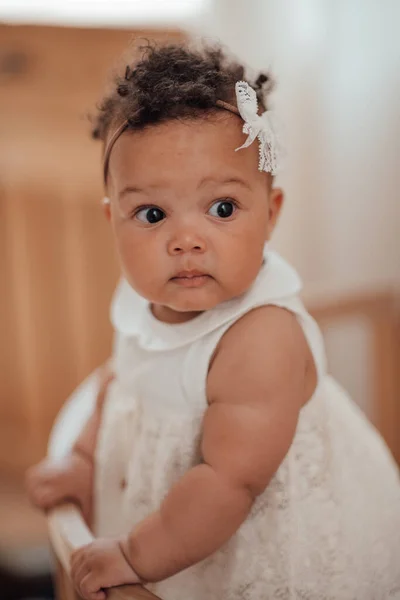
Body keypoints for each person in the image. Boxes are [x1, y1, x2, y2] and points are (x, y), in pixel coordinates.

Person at [26, 42, 400, 600]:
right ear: (115, 222)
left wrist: (133, 554)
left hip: (242, 532)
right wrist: (85, 459)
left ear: (270, 214)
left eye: (222, 208)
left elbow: (229, 483)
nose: (186, 240)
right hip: (173, 519)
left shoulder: (262, 339)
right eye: (152, 215)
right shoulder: (138, 298)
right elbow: (121, 380)